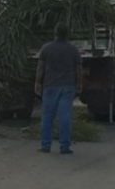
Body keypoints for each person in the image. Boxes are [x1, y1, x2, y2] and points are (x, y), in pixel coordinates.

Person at [35, 21, 82, 155]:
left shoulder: (46, 48)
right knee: (65, 116)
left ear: (55, 33)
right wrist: (79, 84)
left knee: (47, 116)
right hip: (67, 86)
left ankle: (45, 145)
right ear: (67, 35)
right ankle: (64, 146)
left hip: (49, 86)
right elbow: (78, 69)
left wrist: (37, 83)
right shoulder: (73, 50)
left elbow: (40, 68)